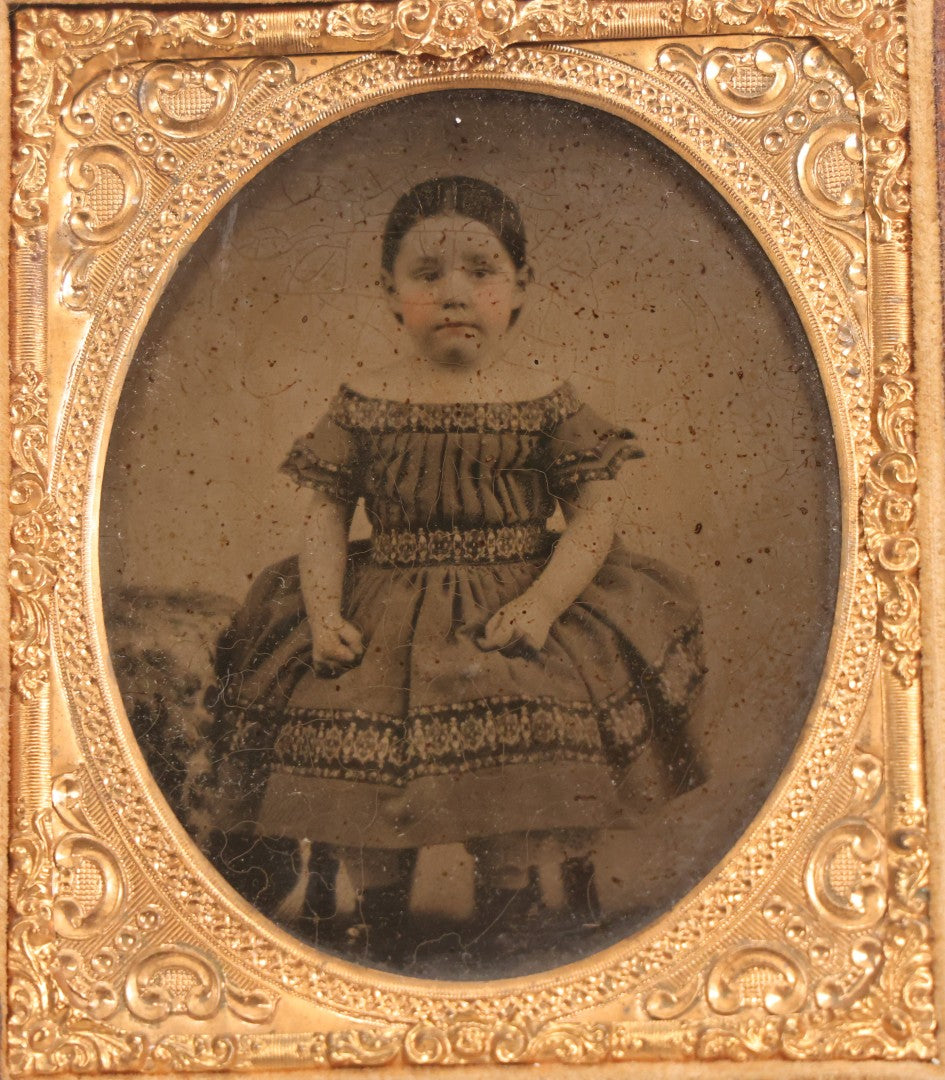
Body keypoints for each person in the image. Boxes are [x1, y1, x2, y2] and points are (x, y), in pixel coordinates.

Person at [205, 176, 704, 969]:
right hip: (384, 605)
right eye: (426, 276)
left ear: (519, 287)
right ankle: (380, 918)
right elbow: (327, 513)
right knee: (355, 715)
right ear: (389, 294)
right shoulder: (364, 399)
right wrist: (325, 611)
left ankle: (506, 909)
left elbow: (595, 518)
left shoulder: (543, 398)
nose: (454, 294)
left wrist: (541, 607)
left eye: (480, 270)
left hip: (512, 599)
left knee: (519, 707)